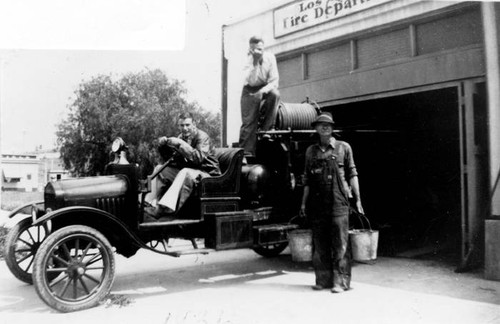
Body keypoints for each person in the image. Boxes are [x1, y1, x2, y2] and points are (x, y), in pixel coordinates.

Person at [299, 112, 364, 293]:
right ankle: (323, 280)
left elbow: (353, 174)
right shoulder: (310, 151)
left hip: (339, 203)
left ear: (332, 128)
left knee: (340, 244)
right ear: (316, 128)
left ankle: (340, 282)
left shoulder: (343, 148)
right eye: (321, 124)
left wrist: (357, 199)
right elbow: (306, 181)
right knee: (319, 244)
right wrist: (303, 204)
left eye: (328, 124)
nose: (325, 127)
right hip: (317, 203)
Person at [148, 112, 221, 217]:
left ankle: (164, 207)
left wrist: (180, 144)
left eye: (187, 125)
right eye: (182, 125)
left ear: (194, 124)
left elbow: (198, 158)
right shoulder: (181, 137)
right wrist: (163, 146)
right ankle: (148, 203)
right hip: (190, 174)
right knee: (161, 168)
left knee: (185, 171)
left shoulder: (202, 137)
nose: (185, 128)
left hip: (209, 176)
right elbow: (173, 160)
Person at [239, 36, 280, 155]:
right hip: (249, 89)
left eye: (260, 49)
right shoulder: (246, 60)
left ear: (264, 48)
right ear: (250, 49)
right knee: (249, 123)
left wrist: (263, 91)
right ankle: (246, 153)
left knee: (275, 94)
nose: (258, 52)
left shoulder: (270, 57)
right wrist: (255, 62)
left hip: (265, 87)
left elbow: (274, 81)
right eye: (255, 49)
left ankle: (267, 129)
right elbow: (251, 81)